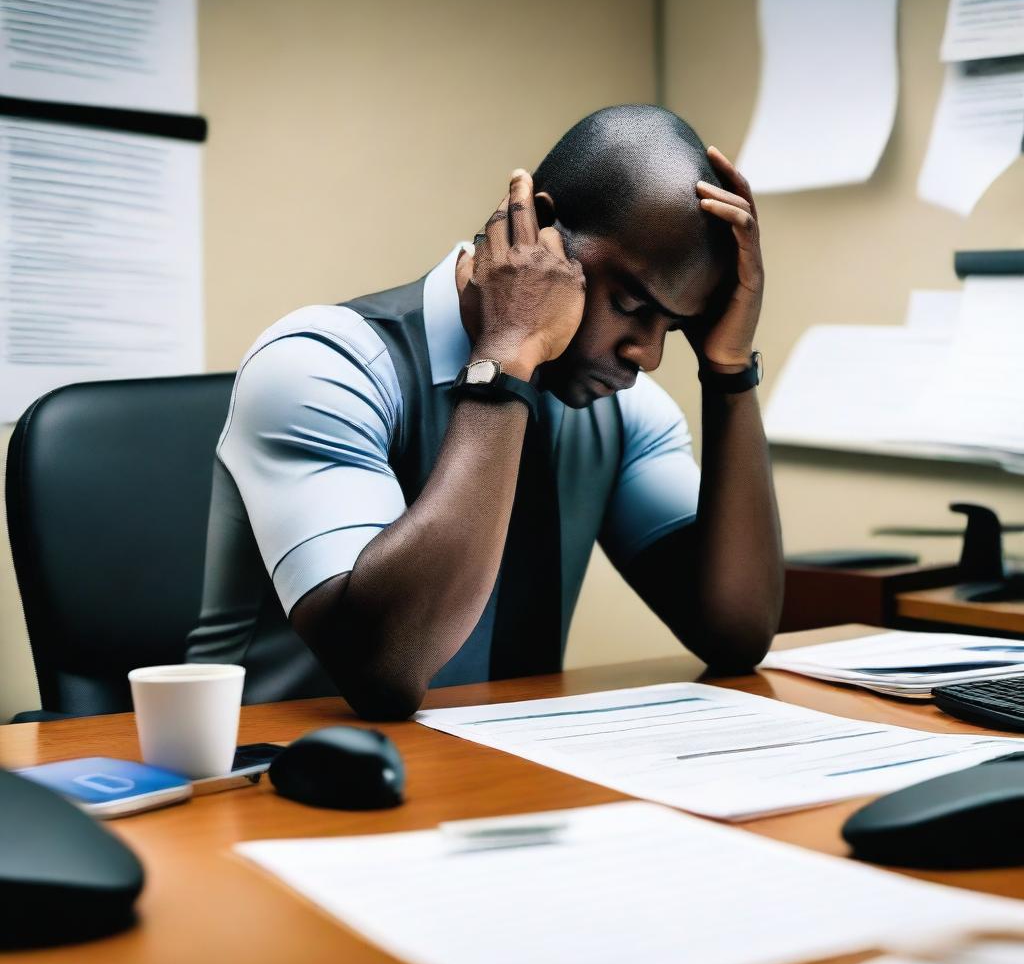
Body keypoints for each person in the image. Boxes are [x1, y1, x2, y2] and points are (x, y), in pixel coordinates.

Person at [186, 104, 783, 718]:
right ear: (541, 232)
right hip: (276, 787)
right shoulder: (319, 365)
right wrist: (508, 354)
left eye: (675, 327)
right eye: (631, 306)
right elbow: (383, 669)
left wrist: (729, 372)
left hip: (492, 785)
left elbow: (735, 634)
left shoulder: (625, 416)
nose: (649, 355)